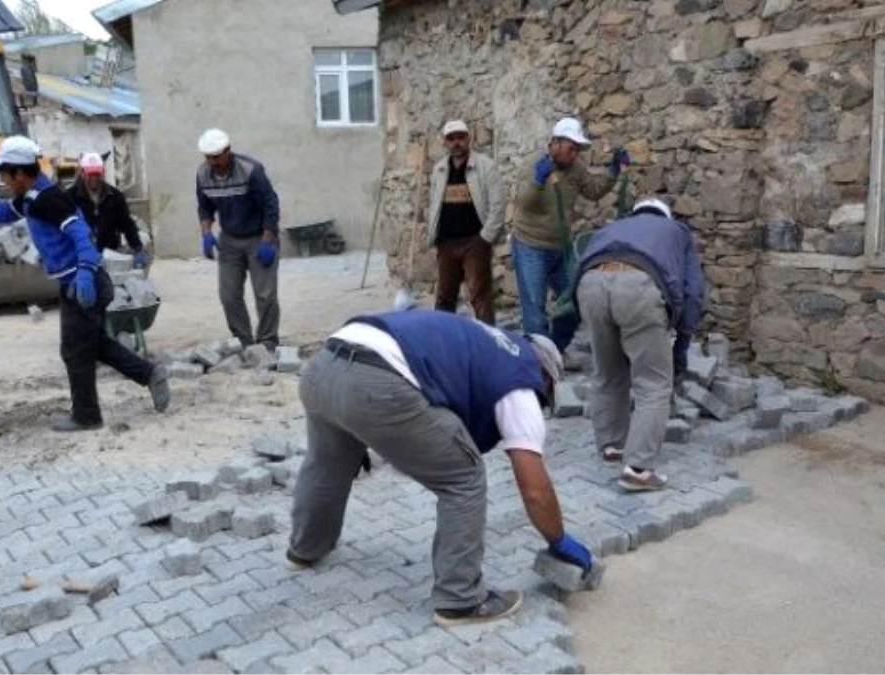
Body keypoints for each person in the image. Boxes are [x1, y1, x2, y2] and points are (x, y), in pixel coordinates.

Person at [287, 309, 596, 626]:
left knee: (327, 464)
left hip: (325, 365)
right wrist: (558, 539)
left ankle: (304, 548)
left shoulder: (487, 341)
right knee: (464, 478)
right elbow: (534, 487)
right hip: (377, 382)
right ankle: (460, 599)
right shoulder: (520, 377)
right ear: (545, 376)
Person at [0, 136, 171, 432]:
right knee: (91, 346)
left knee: (75, 351)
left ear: (19, 173)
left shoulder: (46, 199)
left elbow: (82, 233)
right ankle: (149, 374)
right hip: (77, 282)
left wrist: (84, 272)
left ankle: (87, 416)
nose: (2, 180)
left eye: (4, 174)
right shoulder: (31, 197)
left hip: (83, 283)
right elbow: (4, 214)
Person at [572, 198, 705, 491]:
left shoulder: (614, 227)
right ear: (665, 215)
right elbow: (692, 292)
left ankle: (612, 445)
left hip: (590, 284)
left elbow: (579, 265)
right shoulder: (677, 231)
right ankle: (638, 469)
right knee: (654, 383)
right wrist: (681, 342)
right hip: (639, 286)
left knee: (607, 373)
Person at [512, 117, 629, 352]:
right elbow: (524, 203)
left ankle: (554, 351)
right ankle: (539, 367)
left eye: (577, 150)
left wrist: (613, 171)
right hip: (530, 246)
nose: (574, 155)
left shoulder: (575, 169)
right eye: (570, 149)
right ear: (555, 143)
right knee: (535, 310)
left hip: (561, 249)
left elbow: (593, 190)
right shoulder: (532, 164)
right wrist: (538, 180)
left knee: (574, 303)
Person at [196, 128, 282, 351]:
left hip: (259, 236)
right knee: (229, 295)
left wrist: (267, 240)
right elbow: (205, 207)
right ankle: (244, 341)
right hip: (230, 240)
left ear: (227, 151)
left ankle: (267, 341)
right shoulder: (203, 175)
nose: (212, 162)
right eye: (208, 157)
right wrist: (206, 234)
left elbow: (271, 205)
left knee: (265, 295)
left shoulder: (251, 170)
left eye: (216, 157)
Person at [427, 119, 505, 324]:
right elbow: (434, 205)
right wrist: (435, 237)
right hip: (447, 243)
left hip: (474, 242)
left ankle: (488, 341)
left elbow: (498, 207)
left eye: (461, 137)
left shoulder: (486, 167)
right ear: (445, 142)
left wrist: (484, 239)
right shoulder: (439, 170)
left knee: (480, 296)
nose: (456, 143)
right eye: (451, 139)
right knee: (444, 297)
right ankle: (442, 340)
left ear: (468, 139)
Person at [70, 152, 149, 268]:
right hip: (81, 257)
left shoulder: (115, 196)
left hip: (110, 255)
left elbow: (126, 225)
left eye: (97, 173)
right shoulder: (70, 197)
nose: (94, 178)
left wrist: (138, 249)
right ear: (82, 173)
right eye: (90, 174)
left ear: (103, 172)